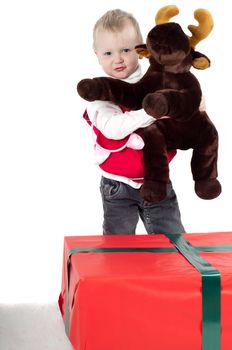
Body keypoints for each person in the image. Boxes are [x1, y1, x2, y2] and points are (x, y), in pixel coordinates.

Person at [80, 8, 185, 235]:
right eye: (108, 53)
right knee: (118, 250)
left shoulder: (155, 80)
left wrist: (193, 103)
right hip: (118, 187)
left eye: (126, 50)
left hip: (158, 181)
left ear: (142, 50)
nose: (118, 58)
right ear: (96, 53)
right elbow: (113, 129)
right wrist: (155, 109)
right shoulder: (98, 94)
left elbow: (184, 95)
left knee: (172, 243)